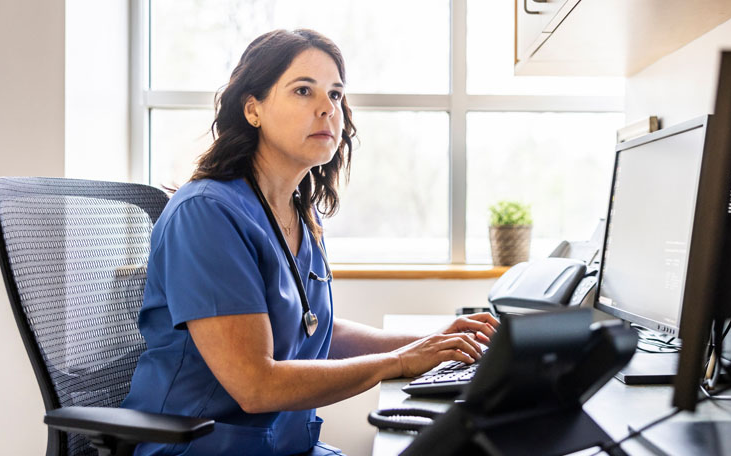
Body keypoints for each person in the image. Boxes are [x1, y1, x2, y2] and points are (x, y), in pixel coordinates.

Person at [122, 29, 499, 456]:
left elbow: (313, 331)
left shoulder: (300, 211)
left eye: (336, 95)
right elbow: (256, 386)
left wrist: (431, 341)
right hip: (200, 450)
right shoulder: (207, 214)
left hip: (283, 447)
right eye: (304, 90)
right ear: (253, 109)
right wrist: (399, 363)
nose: (327, 108)